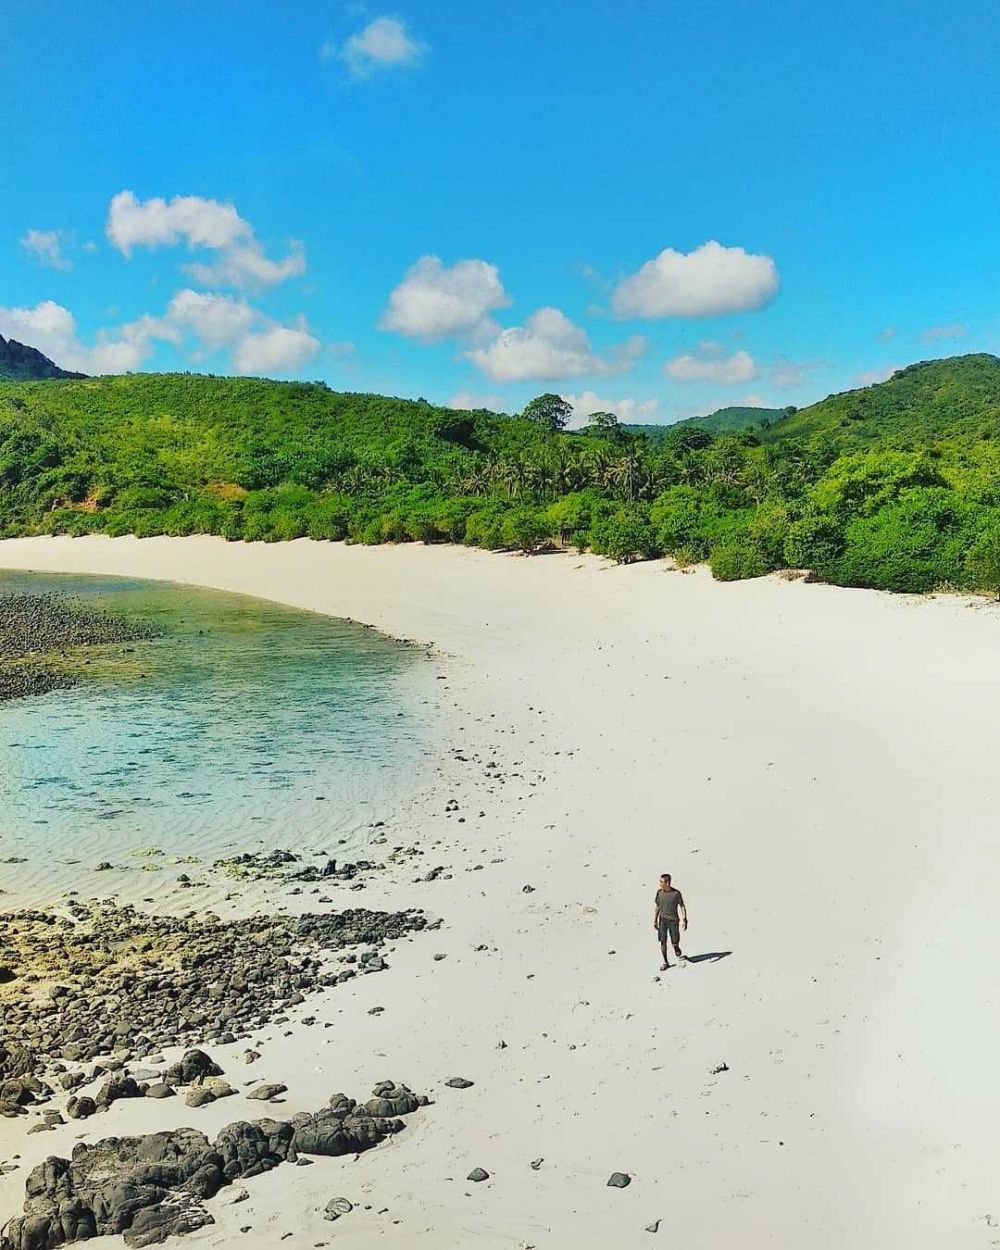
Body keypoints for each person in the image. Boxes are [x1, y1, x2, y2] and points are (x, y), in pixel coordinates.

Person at [653, 873, 687, 970]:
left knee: (675, 943)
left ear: (667, 883)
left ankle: (676, 947)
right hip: (662, 920)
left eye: (661, 882)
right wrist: (655, 920)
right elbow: (657, 907)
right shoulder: (659, 892)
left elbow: (682, 906)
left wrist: (685, 919)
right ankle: (665, 962)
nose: (660, 884)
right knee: (663, 942)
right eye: (660, 881)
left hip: (673, 921)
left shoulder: (676, 893)